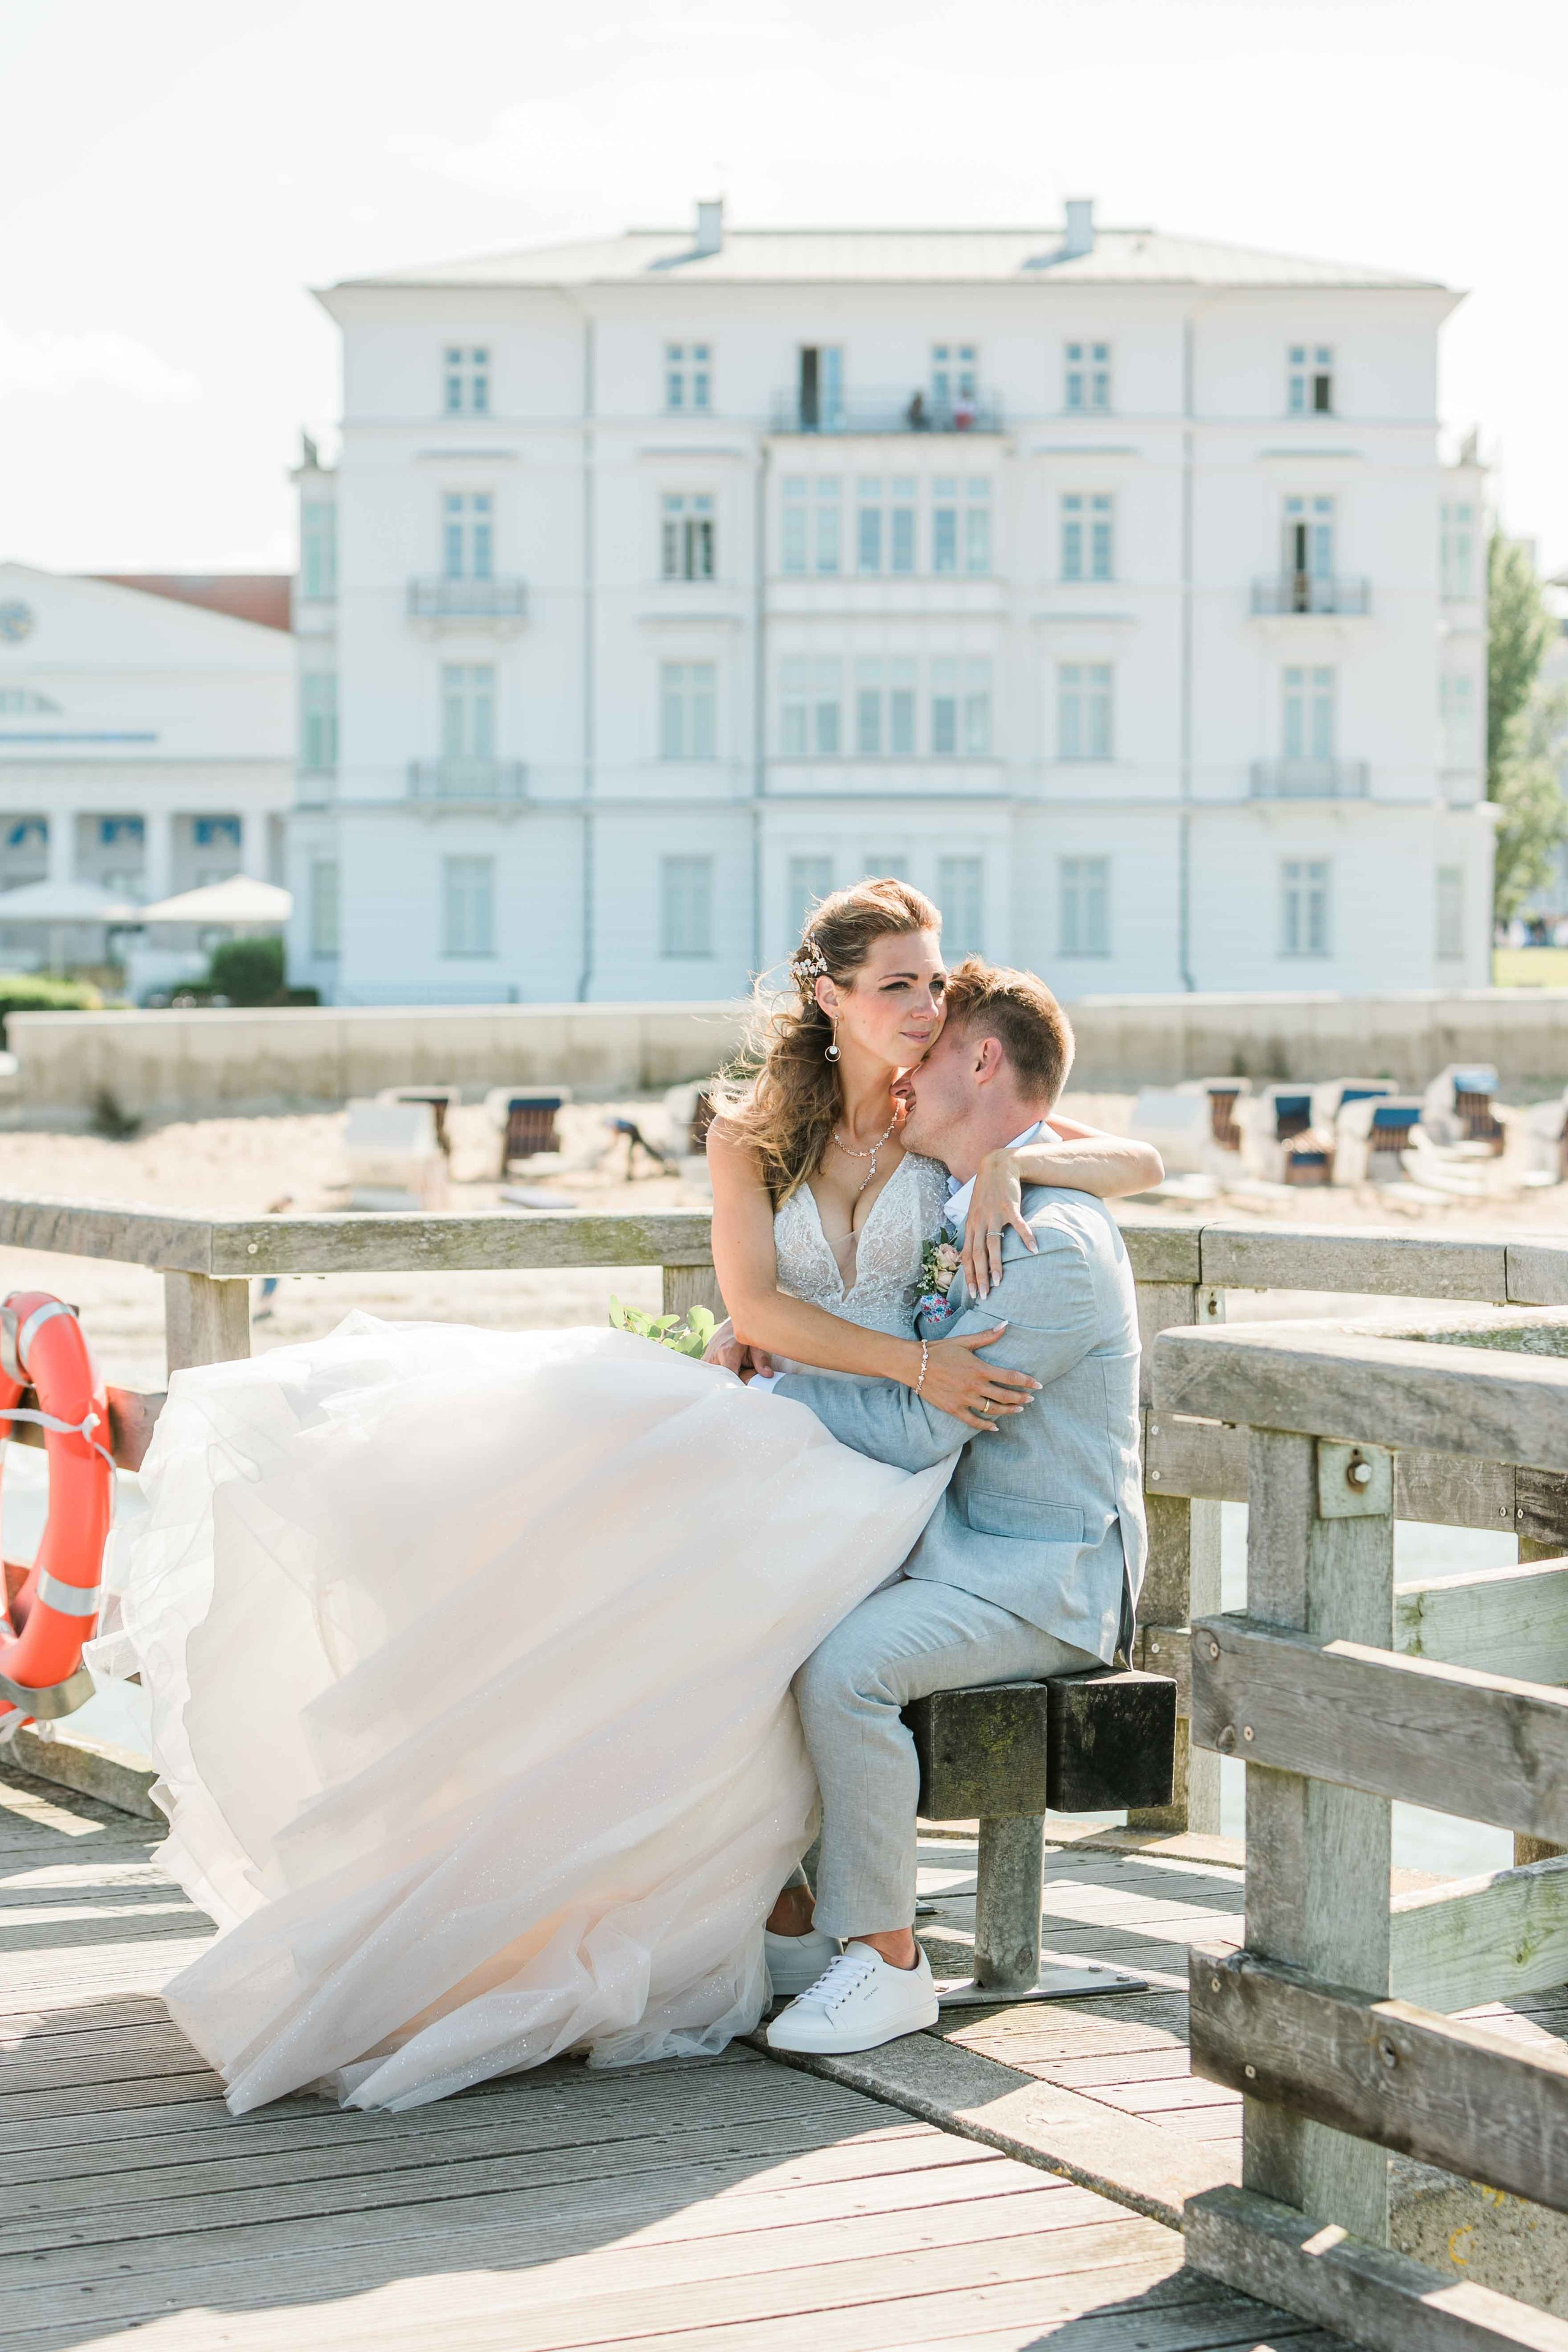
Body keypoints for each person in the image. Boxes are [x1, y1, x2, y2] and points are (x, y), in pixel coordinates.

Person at [97, 878, 1159, 2114]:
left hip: (893, 1472)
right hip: (814, 1425)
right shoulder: (769, 1126)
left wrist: (1012, 1165)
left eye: (934, 984)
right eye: (898, 985)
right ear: (829, 996)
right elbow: (757, 1307)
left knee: (754, 1625)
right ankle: (658, 1881)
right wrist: (864, 1356)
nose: (924, 1006)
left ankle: (824, 1932)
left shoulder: (956, 1123)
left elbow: (1118, 1156)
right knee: (592, 1532)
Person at [741, 959, 1147, 2053]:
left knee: (848, 1668)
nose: (904, 1073)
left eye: (928, 1051)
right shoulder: (969, 1199)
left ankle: (887, 1963)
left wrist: (767, 1395)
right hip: (952, 1546)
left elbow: (924, 1425)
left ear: (983, 1061)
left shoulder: (1054, 1249)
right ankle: (792, 1927)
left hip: (1041, 1575)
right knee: (744, 1620)